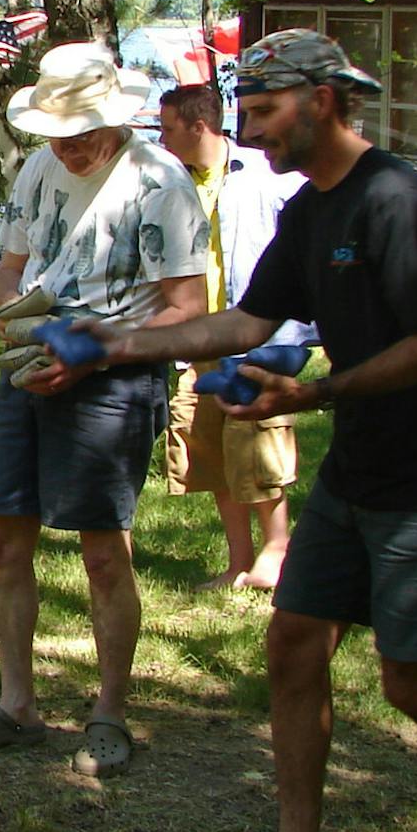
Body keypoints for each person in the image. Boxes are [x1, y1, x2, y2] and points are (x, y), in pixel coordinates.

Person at [94, 28, 417, 832]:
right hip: (361, 471)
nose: (255, 132)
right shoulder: (309, 212)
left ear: (325, 102)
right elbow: (246, 321)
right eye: (249, 113)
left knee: (415, 683)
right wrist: (123, 344)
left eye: (266, 112)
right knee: (293, 644)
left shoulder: (397, 202)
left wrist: (314, 393)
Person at [0, 42, 207, 776]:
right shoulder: (38, 171)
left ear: (115, 120)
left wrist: (97, 348)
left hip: (116, 380)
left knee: (101, 552)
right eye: (60, 131)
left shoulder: (161, 184)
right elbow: (10, 267)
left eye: (85, 130)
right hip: (32, 368)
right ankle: (15, 705)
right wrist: (17, 322)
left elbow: (190, 311)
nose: (72, 145)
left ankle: (109, 714)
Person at [156, 82, 314, 590]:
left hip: (260, 338)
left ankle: (277, 552)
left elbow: (305, 252)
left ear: (198, 126)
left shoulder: (267, 176)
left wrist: (300, 332)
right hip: (198, 337)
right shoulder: (170, 182)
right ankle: (238, 560)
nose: (161, 139)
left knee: (257, 446)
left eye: (168, 129)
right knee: (211, 453)